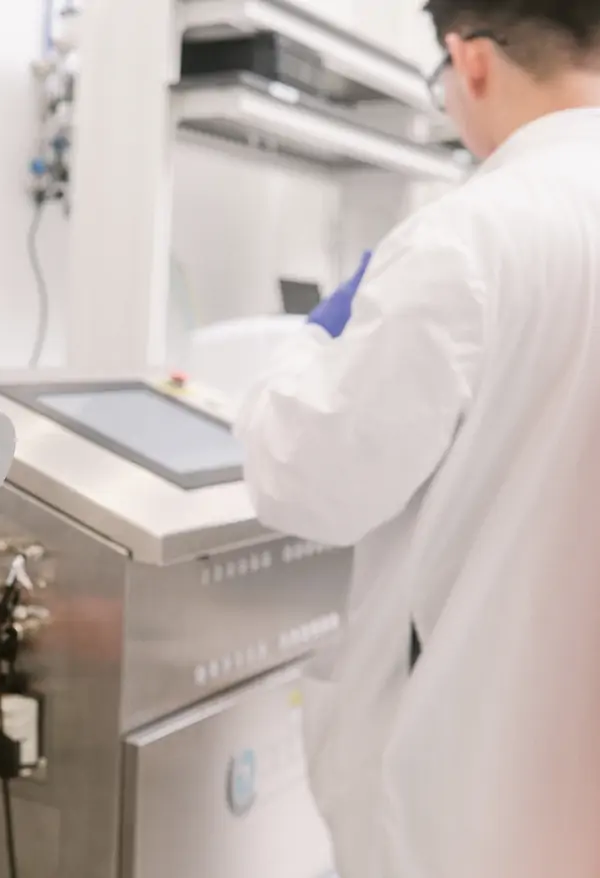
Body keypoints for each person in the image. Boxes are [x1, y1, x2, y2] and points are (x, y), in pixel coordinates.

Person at [234, 2, 600, 876]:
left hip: (480, 800)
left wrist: (312, 340)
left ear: (467, 61)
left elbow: (309, 480)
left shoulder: (471, 236)